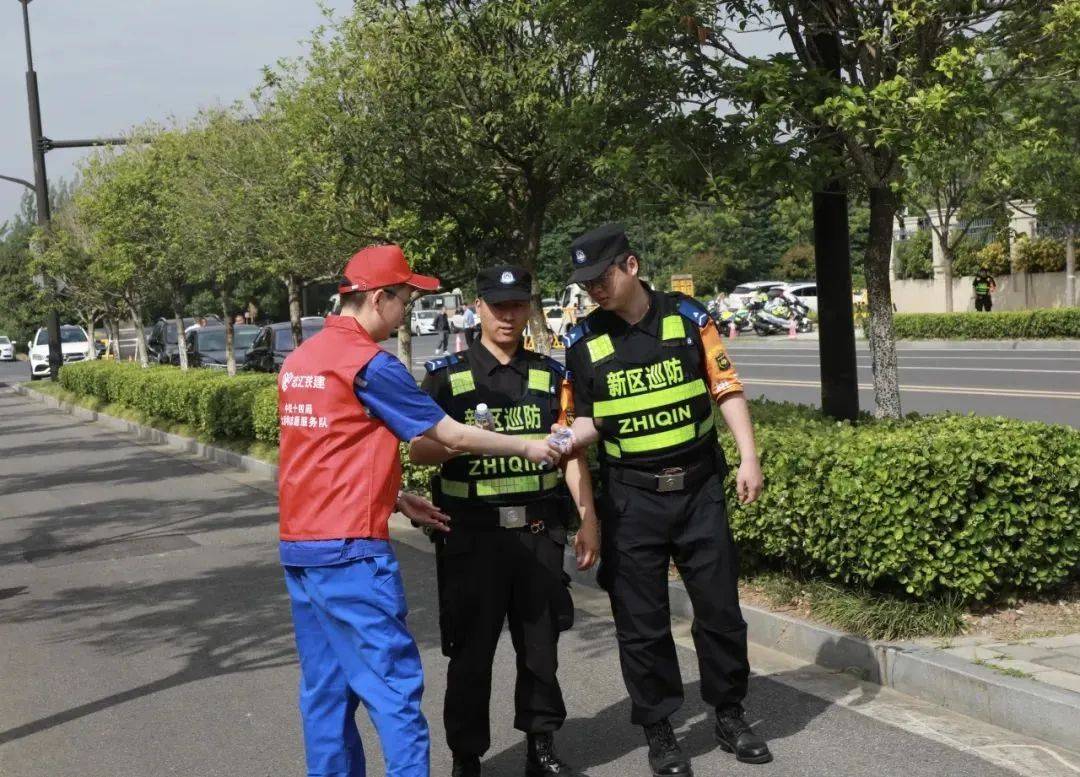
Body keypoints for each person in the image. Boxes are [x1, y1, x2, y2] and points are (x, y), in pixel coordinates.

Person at [277, 244, 563, 777]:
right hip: (352, 555)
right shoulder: (369, 365)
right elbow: (447, 433)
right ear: (378, 297)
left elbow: (320, 455)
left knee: (327, 690)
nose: (406, 312)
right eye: (404, 301)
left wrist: (392, 497)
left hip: (302, 550)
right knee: (394, 689)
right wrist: (527, 447)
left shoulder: (299, 362)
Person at [557, 224, 769, 777]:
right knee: (642, 623)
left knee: (720, 611)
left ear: (630, 265)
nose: (593, 291)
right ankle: (660, 729)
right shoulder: (583, 342)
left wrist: (749, 456)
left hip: (699, 490)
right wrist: (572, 478)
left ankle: (729, 714)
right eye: (585, 284)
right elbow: (579, 424)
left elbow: (725, 387)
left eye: (601, 278)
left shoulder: (688, 318)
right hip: (631, 500)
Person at [410, 265, 600, 777]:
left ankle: (541, 742)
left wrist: (588, 519)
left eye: (518, 305)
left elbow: (571, 452)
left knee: (540, 647)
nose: (509, 316)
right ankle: (467, 755)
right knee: (471, 652)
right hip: (473, 537)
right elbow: (417, 448)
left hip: (539, 531)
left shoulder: (547, 373)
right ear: (479, 306)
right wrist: (458, 439)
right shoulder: (447, 374)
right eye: (499, 306)